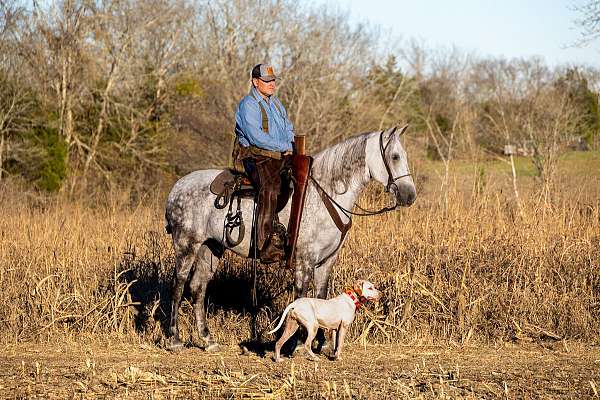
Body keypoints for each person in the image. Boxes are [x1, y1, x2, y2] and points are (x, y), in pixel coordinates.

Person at [233, 64, 294, 263]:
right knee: (271, 187)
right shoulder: (248, 104)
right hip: (255, 157)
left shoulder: (276, 104)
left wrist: (290, 143)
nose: (271, 84)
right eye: (267, 81)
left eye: (273, 80)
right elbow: (256, 136)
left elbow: (288, 127)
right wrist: (283, 145)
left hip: (278, 155)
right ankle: (264, 244)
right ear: (255, 82)